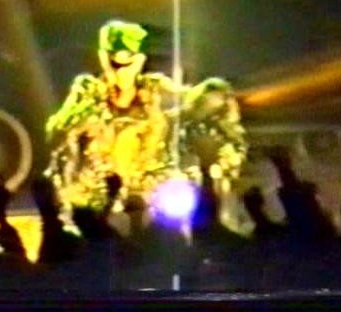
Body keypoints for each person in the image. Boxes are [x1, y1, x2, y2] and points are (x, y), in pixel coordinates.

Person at [45, 19, 249, 234]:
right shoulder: (88, 92)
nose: (120, 72)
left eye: (128, 64)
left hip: (150, 196)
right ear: (103, 59)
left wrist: (211, 95)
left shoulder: (155, 89)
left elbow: (190, 102)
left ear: (140, 61)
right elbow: (55, 133)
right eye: (114, 65)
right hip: (99, 195)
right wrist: (83, 116)